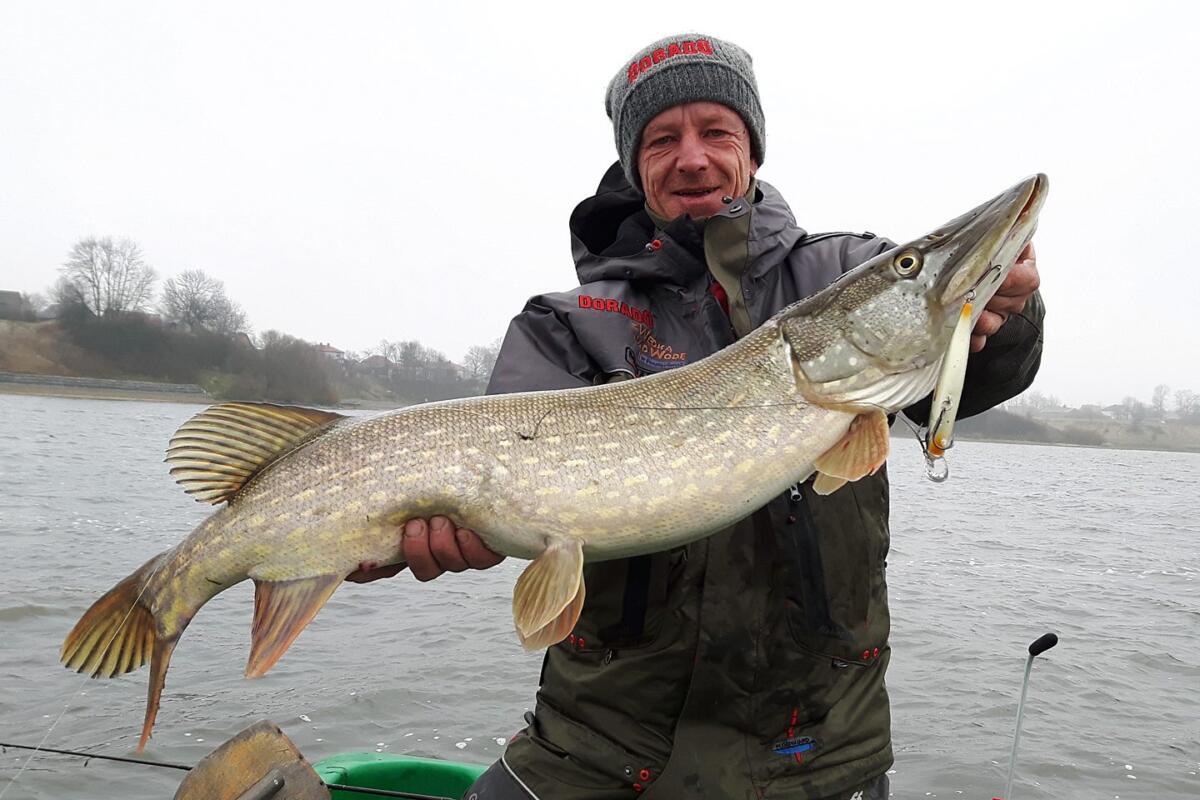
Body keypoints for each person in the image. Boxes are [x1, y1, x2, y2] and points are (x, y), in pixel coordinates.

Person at [351, 33, 1043, 799]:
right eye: (662, 139)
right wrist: (460, 532)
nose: (692, 158)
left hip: (816, 750)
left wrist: (1004, 315)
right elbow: (503, 488)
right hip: (599, 745)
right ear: (634, 164)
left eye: (716, 131)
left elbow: (976, 377)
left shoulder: (844, 270)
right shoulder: (566, 323)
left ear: (751, 149)